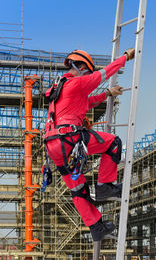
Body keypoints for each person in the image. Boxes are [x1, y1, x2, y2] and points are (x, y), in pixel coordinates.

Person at [43, 48, 135, 241]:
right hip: (68, 139)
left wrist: (108, 93)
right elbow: (105, 73)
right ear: (83, 67)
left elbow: (85, 103)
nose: (89, 75)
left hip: (53, 147)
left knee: (78, 189)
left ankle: (96, 227)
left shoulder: (61, 87)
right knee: (113, 143)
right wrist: (125, 57)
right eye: (88, 72)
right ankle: (105, 186)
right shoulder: (77, 82)